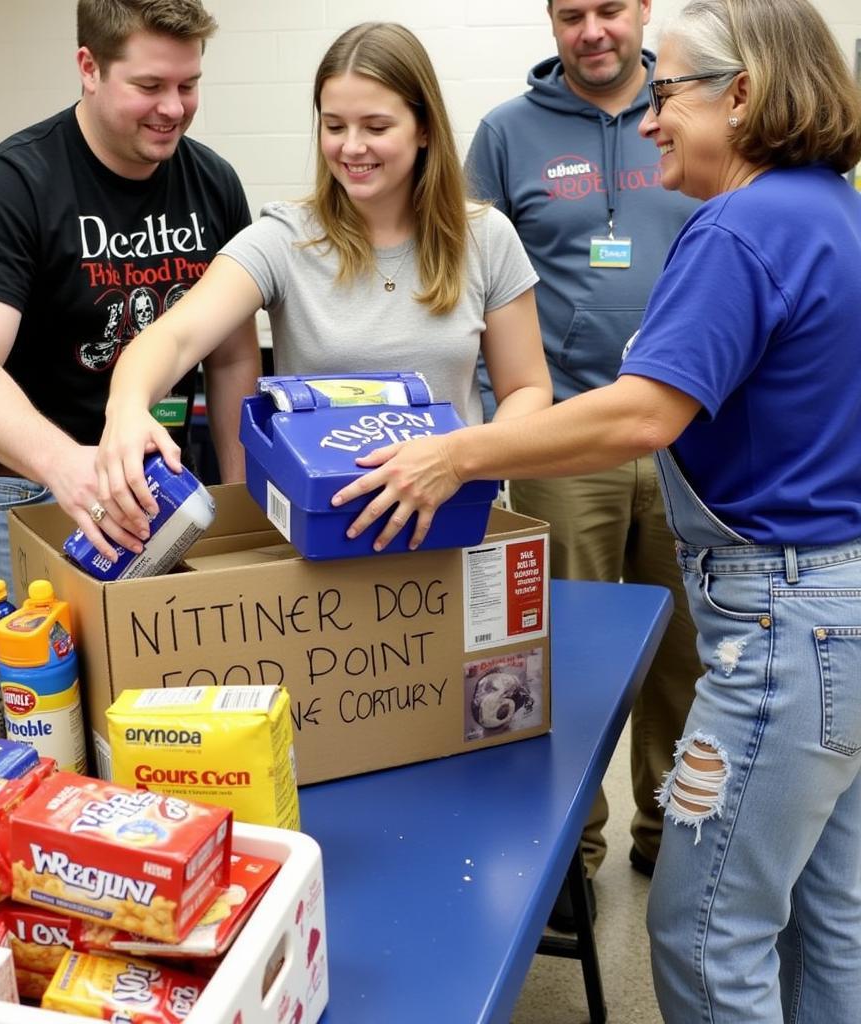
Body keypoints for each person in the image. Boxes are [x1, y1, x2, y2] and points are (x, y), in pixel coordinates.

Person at [333, 0, 861, 1017]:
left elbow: (637, 417)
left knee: (704, 926)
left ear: (740, 96)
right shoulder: (832, 209)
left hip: (782, 630)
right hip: (842, 604)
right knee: (822, 911)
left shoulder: (740, 226)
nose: (653, 119)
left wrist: (456, 451)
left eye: (669, 95)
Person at [94, 21, 552, 531]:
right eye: (334, 126)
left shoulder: (486, 237)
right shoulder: (285, 239)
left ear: (424, 128)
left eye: (376, 127)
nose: (352, 147)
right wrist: (128, 408)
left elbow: (527, 388)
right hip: (323, 534)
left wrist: (459, 460)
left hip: (452, 519)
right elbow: (175, 337)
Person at [465, 0, 703, 917]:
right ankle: (573, 850)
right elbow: (473, 270)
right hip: (565, 441)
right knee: (559, 656)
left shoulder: (691, 115)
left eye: (611, 8)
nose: (592, 29)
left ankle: (665, 834)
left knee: (684, 657)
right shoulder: (505, 134)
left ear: (642, 10)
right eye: (572, 13)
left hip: (690, 437)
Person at [0, 0, 260, 600]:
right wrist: (69, 467)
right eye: (149, 85)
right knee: (52, 684)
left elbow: (233, 357)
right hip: (30, 485)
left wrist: (238, 495)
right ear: (89, 66)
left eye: (188, 84)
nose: (173, 107)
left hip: (158, 485)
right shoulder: (13, 184)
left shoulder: (213, 183)